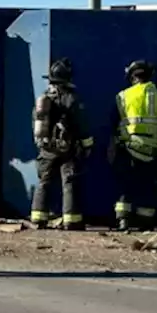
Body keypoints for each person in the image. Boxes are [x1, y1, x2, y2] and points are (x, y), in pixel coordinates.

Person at [30, 58, 93, 230]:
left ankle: (37, 218)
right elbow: (81, 124)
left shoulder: (43, 99)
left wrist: (42, 143)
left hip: (47, 148)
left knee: (43, 181)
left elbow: (35, 121)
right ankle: (71, 220)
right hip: (67, 148)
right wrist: (87, 144)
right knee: (69, 181)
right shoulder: (71, 99)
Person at [109, 60, 157, 231]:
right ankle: (145, 223)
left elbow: (113, 121)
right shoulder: (156, 94)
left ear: (132, 76)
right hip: (151, 148)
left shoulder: (123, 96)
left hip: (129, 147)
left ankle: (123, 221)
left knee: (126, 184)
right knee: (147, 185)